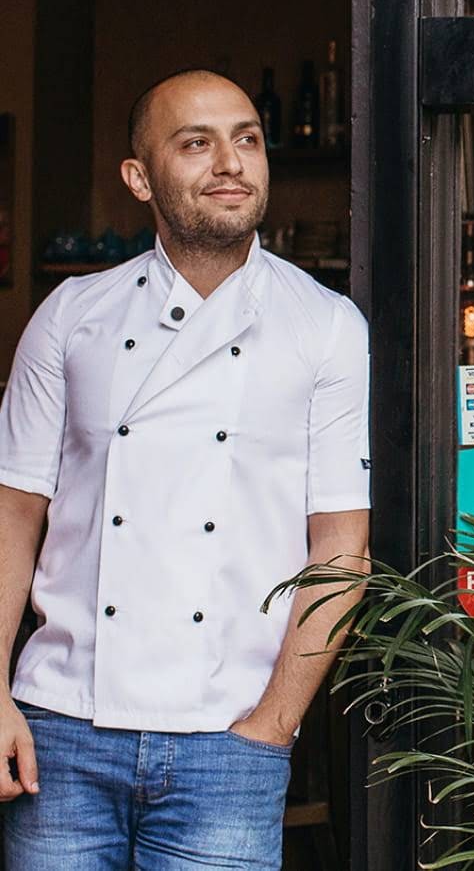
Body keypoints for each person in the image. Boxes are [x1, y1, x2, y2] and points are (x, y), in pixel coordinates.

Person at [0, 69, 371, 869]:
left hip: (227, 739)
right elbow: (12, 516)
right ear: (139, 177)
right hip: (62, 726)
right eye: (196, 143)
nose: (230, 162)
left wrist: (271, 727)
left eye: (246, 139)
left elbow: (341, 551)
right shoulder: (70, 317)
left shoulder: (327, 327)